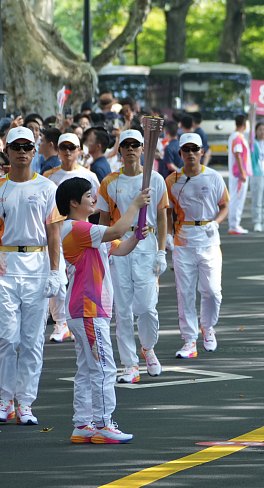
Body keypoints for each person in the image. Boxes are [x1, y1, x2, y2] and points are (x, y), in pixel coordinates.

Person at [0, 126, 63, 425]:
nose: (23, 152)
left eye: (28, 146)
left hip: (38, 266)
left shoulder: (48, 189)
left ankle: (25, 402)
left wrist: (55, 271)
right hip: (5, 265)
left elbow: (54, 233)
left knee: (32, 339)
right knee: (6, 337)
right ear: (8, 151)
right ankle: (5, 400)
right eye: (17, 147)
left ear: (35, 150)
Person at [59, 177, 151, 445]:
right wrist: (134, 204)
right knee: (104, 369)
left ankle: (83, 425)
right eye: (89, 195)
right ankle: (103, 424)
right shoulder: (76, 229)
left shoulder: (89, 230)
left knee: (88, 369)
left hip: (89, 309)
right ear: (74, 202)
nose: (94, 199)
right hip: (88, 308)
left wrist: (135, 235)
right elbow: (114, 232)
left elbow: (119, 248)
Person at [97, 129, 170, 383]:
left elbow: (162, 217)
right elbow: (104, 220)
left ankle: (148, 348)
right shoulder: (109, 182)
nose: (130, 149)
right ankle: (129, 364)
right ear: (120, 150)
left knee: (147, 307)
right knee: (123, 310)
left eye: (135, 145)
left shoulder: (156, 180)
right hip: (119, 243)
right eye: (125, 145)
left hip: (146, 242)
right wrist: (104, 251)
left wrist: (161, 251)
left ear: (143, 149)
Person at [165, 133, 230, 359]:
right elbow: (166, 211)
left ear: (202, 151)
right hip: (183, 241)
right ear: (180, 153)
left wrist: (216, 223)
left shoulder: (213, 177)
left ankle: (208, 327)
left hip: (208, 238)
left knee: (212, 291)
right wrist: (167, 236)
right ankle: (189, 340)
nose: (191, 153)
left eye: (195, 149)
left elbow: (225, 206)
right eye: (186, 150)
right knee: (185, 293)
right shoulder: (172, 180)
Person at [43, 133, 102, 343]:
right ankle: (60, 323)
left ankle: (81, 318)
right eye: (63, 147)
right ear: (57, 149)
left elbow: (96, 207)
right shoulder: (49, 175)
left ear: (79, 150)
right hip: (56, 233)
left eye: (72, 147)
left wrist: (93, 232)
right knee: (57, 279)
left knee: (79, 280)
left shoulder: (90, 176)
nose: (67, 151)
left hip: (80, 235)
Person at [227, 115, 250, 235]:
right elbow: (237, 154)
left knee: (238, 198)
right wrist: (242, 172)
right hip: (238, 175)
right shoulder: (237, 137)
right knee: (237, 199)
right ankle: (234, 225)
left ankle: (235, 224)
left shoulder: (237, 136)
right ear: (244, 124)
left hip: (238, 174)